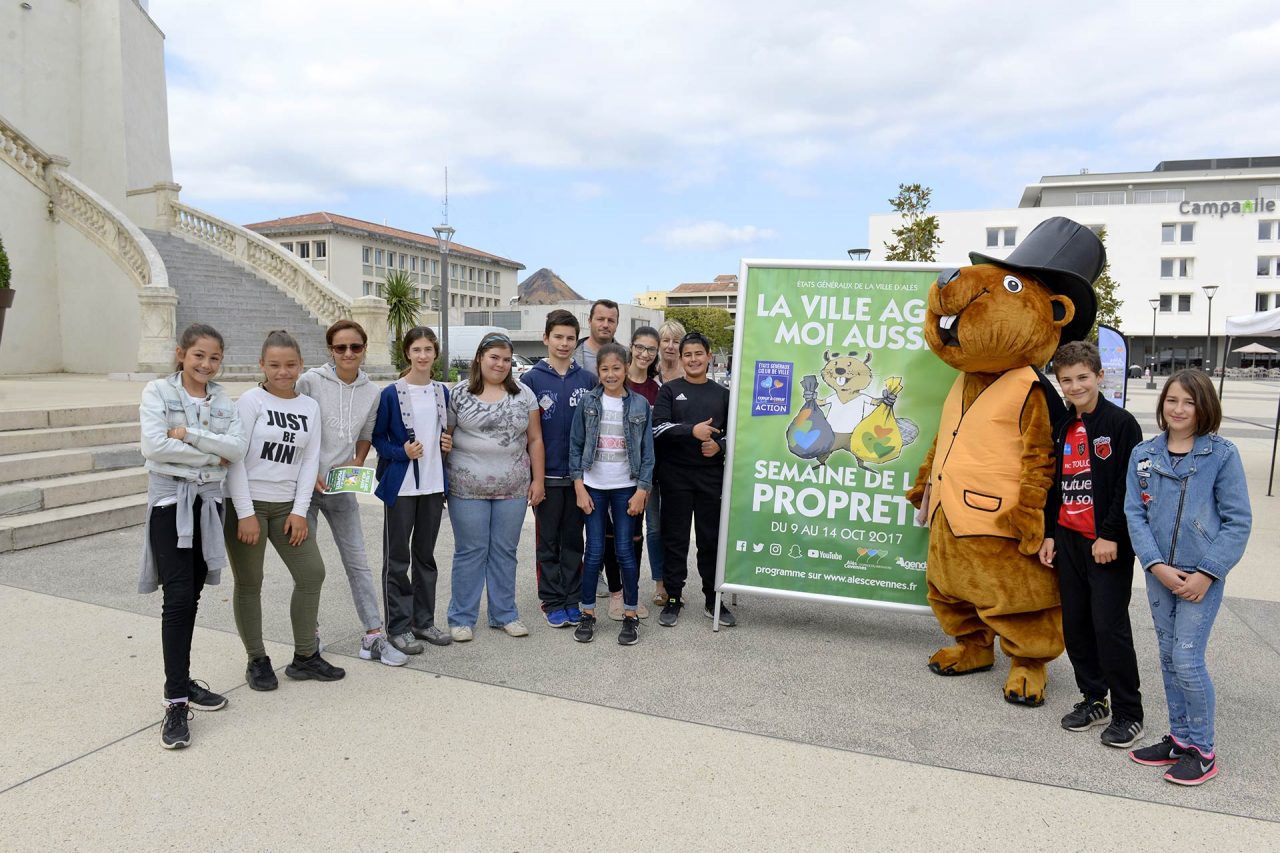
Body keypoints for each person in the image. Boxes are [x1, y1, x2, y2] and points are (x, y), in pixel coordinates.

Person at [1125, 370, 1251, 786]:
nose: (1178, 410)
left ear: (1204, 407)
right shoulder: (1144, 454)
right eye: (1172, 400)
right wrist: (1155, 565)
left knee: (1187, 659)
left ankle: (1203, 750)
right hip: (1160, 573)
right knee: (1165, 656)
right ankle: (1180, 739)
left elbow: (1237, 521)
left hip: (1201, 578)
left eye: (1189, 402)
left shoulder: (1221, 455)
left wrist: (1207, 574)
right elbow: (1135, 514)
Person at [138, 323, 247, 749]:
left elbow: (236, 450)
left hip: (209, 505)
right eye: (198, 355)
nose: (206, 364)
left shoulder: (223, 399)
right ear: (181, 353)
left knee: (194, 595)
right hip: (170, 506)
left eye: (214, 357)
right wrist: (212, 452)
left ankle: (183, 680)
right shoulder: (158, 393)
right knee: (178, 597)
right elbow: (154, 447)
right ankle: (176, 700)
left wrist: (192, 437)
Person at [225, 330, 345, 690]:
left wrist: (299, 510)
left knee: (311, 574)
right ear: (262, 365)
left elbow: (309, 461)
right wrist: (245, 513)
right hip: (248, 505)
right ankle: (257, 659)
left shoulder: (308, 407)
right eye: (274, 365)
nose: (283, 371)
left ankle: (305, 656)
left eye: (290, 364)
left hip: (287, 508)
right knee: (250, 582)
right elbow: (235, 460)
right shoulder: (250, 402)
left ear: (300, 366)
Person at [1039, 341, 1144, 747]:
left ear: (1100, 376)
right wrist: (1050, 532)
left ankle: (1129, 712)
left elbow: (1127, 486)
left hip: (1106, 544)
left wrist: (1111, 534)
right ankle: (1093, 698)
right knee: (1077, 625)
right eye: (1067, 380)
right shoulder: (1063, 425)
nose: (1075, 386)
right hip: (1068, 540)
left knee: (1109, 627)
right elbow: (1057, 486)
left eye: (1083, 377)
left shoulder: (1121, 424)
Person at [296, 320, 408, 667]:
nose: (348, 353)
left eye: (355, 347)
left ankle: (373, 636)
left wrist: (358, 461)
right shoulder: (310, 382)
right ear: (330, 350)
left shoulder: (371, 392)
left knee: (357, 561)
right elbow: (295, 427)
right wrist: (309, 472)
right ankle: (308, 638)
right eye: (340, 347)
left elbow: (366, 433)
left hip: (341, 486)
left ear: (364, 349)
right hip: (304, 486)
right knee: (308, 568)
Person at [446, 333, 545, 641]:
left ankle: (504, 614)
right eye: (494, 357)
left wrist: (538, 480)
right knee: (470, 551)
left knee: (505, 551)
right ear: (480, 358)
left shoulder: (524, 393)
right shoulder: (459, 394)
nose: (500, 364)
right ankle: (462, 617)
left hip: (513, 487)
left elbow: (535, 439)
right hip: (466, 487)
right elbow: (445, 436)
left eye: (506, 359)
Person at [367, 326, 454, 656]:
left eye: (428, 350)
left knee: (425, 558)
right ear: (407, 353)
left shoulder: (441, 392)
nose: (422, 356)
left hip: (432, 485)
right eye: (416, 349)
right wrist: (402, 452)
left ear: (435, 353)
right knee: (398, 558)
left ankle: (423, 621)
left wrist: (447, 443)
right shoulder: (392, 393)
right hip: (402, 488)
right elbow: (378, 439)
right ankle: (399, 627)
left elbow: (443, 435)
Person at [570, 343, 655, 645]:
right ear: (598, 371)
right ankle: (588, 613)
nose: (610, 374)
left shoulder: (639, 405)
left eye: (616, 368)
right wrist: (579, 487)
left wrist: (642, 490)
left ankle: (630, 615)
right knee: (593, 552)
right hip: (594, 487)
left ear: (626, 368)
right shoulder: (589, 403)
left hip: (626, 488)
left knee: (624, 553)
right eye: (604, 369)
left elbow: (647, 454)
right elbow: (576, 446)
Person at [521, 309, 596, 628]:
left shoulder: (587, 379)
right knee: (548, 541)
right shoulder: (530, 380)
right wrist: (533, 479)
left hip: (579, 478)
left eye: (569, 338)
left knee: (574, 541)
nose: (564, 344)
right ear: (546, 338)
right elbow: (525, 434)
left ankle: (572, 598)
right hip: (546, 479)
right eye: (558, 337)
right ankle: (551, 600)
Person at [653, 332, 734, 627]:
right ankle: (673, 597)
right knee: (674, 540)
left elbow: (735, 434)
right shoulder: (670, 390)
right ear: (681, 358)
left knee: (710, 540)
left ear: (709, 356)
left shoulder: (723, 394)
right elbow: (657, 429)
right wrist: (691, 431)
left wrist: (719, 446)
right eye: (688, 354)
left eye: (699, 353)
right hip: (675, 476)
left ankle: (713, 599)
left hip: (710, 478)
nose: (693, 359)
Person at [627, 325, 666, 603]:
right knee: (625, 533)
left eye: (650, 349)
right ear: (631, 347)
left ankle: (660, 584)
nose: (644, 354)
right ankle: (625, 588)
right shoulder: (615, 380)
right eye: (640, 347)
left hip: (648, 473)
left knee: (654, 528)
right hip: (618, 472)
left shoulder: (658, 389)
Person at [574, 298, 619, 377]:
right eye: (600, 319)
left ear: (617, 324)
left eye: (611, 320)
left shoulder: (628, 356)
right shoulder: (570, 353)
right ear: (589, 321)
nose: (605, 325)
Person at [656, 320, 687, 385]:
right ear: (659, 344)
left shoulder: (689, 375)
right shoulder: (651, 373)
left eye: (676, 342)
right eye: (666, 341)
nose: (670, 346)